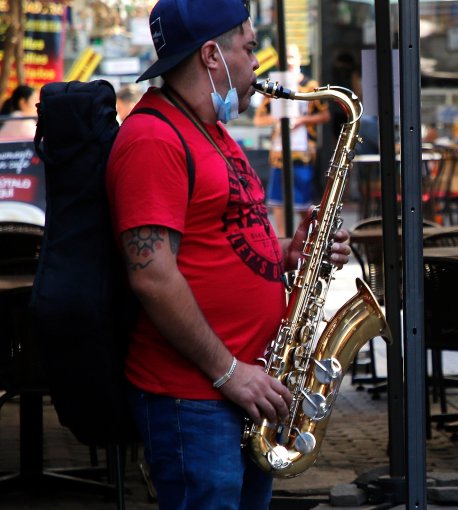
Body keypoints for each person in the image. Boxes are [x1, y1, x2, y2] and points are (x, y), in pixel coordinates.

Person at [105, 2, 351, 509]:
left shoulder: (211, 131)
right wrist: (228, 372)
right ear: (212, 55)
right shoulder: (152, 138)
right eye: (250, 46)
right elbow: (151, 276)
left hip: (244, 390)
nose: (257, 61)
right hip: (195, 399)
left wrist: (290, 250)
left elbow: (220, 238)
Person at [253, 44, 330, 237]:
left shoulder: (311, 85)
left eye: (292, 57)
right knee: (278, 202)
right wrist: (277, 120)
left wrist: (302, 120)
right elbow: (258, 119)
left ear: (300, 60)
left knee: (304, 203)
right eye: (285, 57)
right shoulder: (273, 86)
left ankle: (306, 240)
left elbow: (325, 115)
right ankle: (284, 241)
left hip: (303, 153)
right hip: (279, 153)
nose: (288, 62)